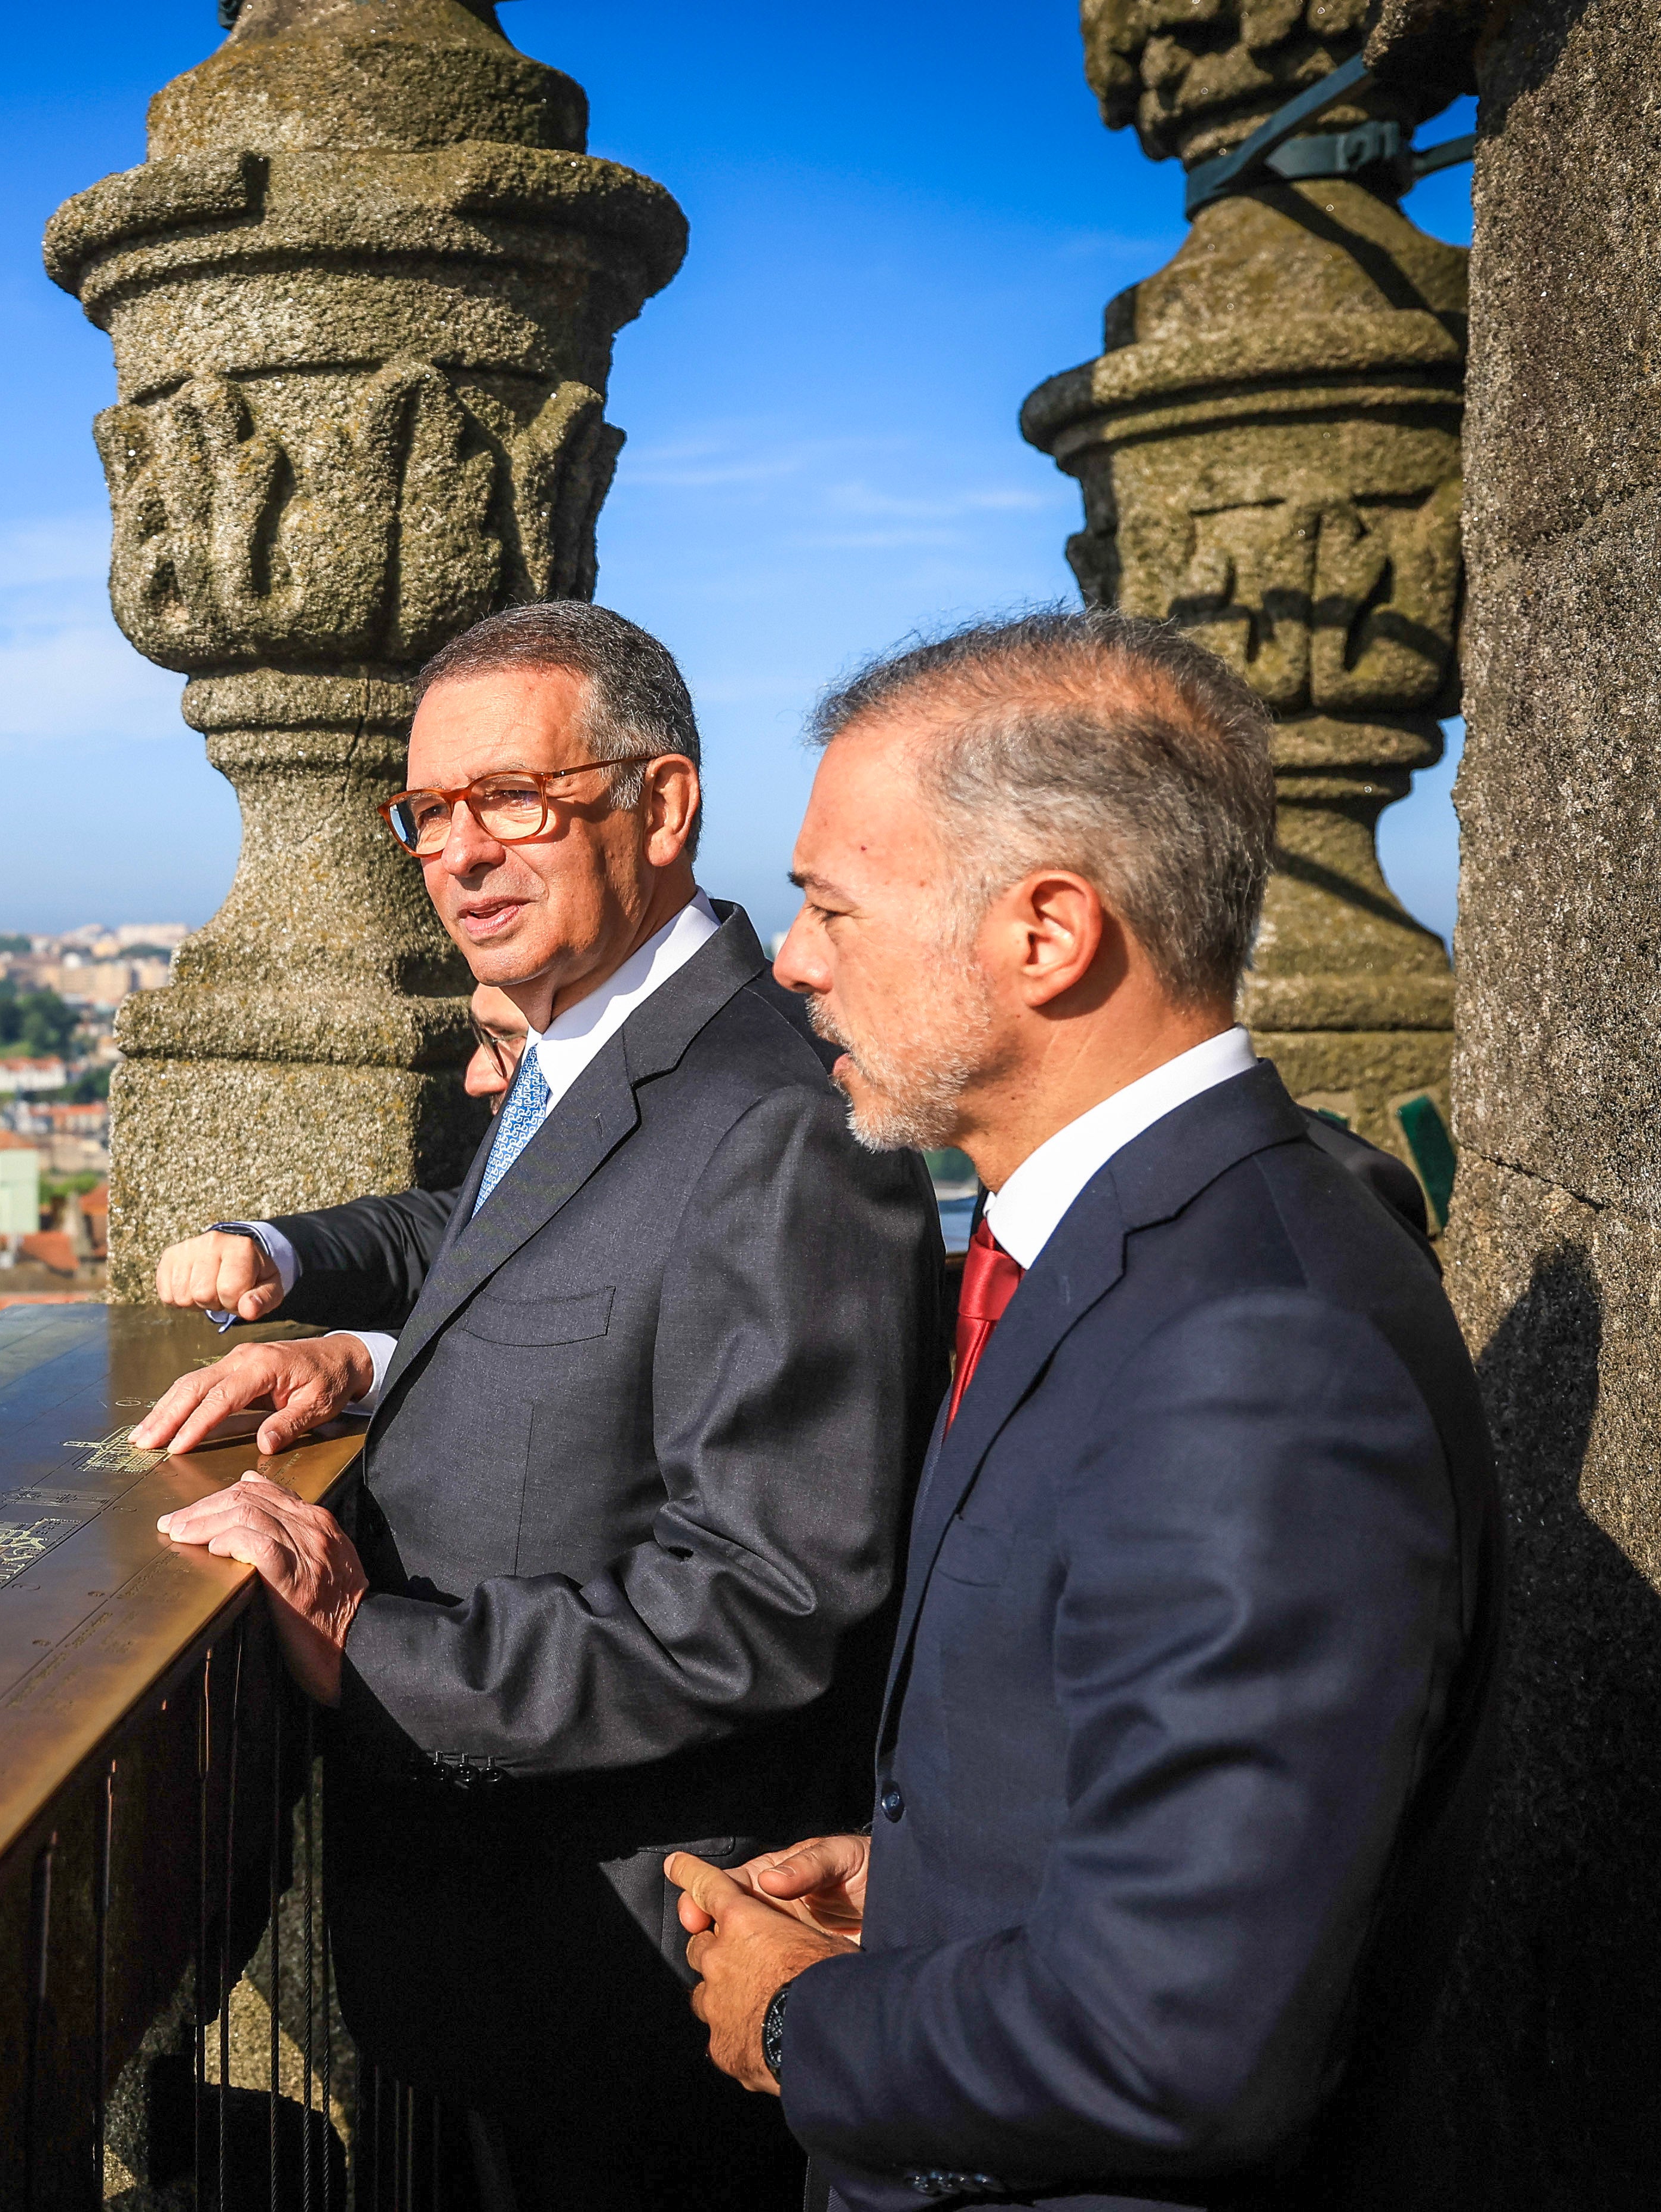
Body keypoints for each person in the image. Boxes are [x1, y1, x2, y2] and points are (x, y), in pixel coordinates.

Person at [670, 609, 1503, 2210]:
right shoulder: (1161, 1250)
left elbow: (1172, 2044)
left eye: (830, 904)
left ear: (1045, 934)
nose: (793, 959)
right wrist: (930, 1884)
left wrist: (797, 2018)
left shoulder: (1256, 1352)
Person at [138, 600, 948, 2210]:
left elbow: (764, 1600)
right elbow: (517, 1247)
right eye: (428, 813)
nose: (458, 854)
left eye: (514, 797)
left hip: (621, 1975)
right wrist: (333, 1321)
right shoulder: (605, 1051)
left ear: (662, 806)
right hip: (494, 1943)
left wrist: (372, 1639)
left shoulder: (778, 1120)